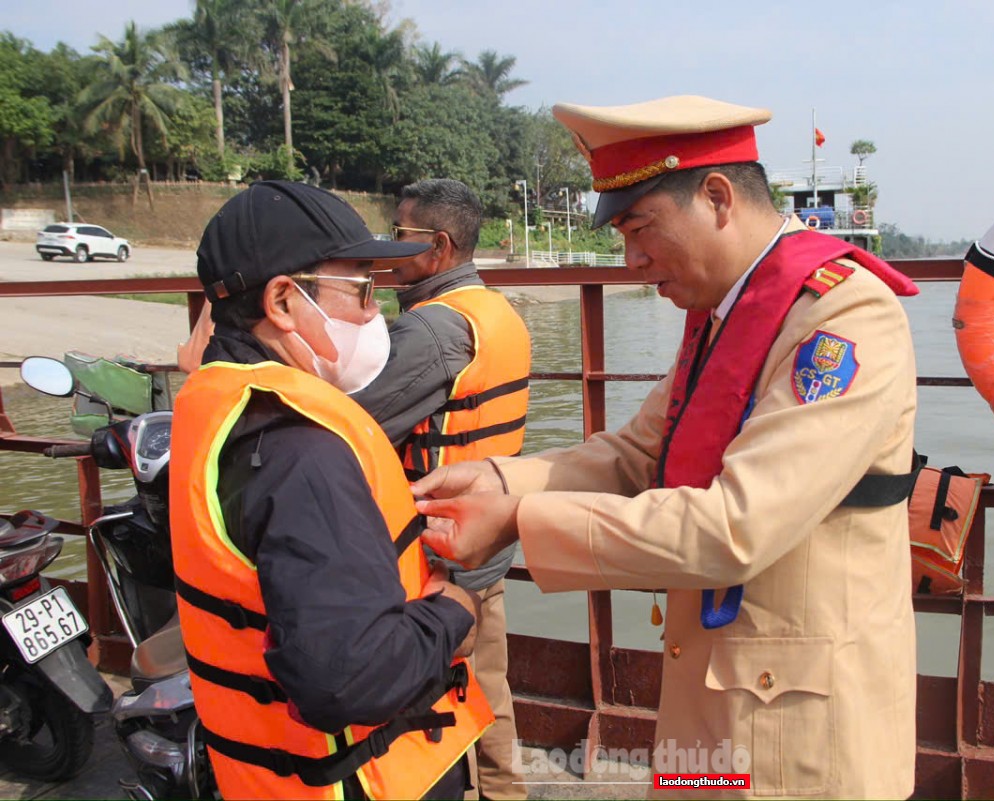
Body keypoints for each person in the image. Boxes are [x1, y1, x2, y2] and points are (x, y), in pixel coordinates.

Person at [411, 95, 921, 799]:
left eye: (639, 228)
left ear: (716, 197)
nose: (631, 261)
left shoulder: (842, 315)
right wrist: (494, 479)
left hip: (799, 734)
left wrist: (518, 521)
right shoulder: (723, 316)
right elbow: (635, 455)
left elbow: (737, 525)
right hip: (704, 704)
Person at [169, 180, 494, 801]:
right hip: (352, 783)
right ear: (285, 302)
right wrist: (455, 610)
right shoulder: (304, 453)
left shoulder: (219, 403)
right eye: (362, 290)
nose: (377, 314)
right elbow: (345, 680)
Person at [351, 178, 531, 801]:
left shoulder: (430, 332)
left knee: (449, 693)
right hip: (488, 540)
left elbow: (350, 423)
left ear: (438, 246)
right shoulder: (495, 310)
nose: (387, 247)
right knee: (489, 684)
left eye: (398, 235)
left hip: (434, 551)